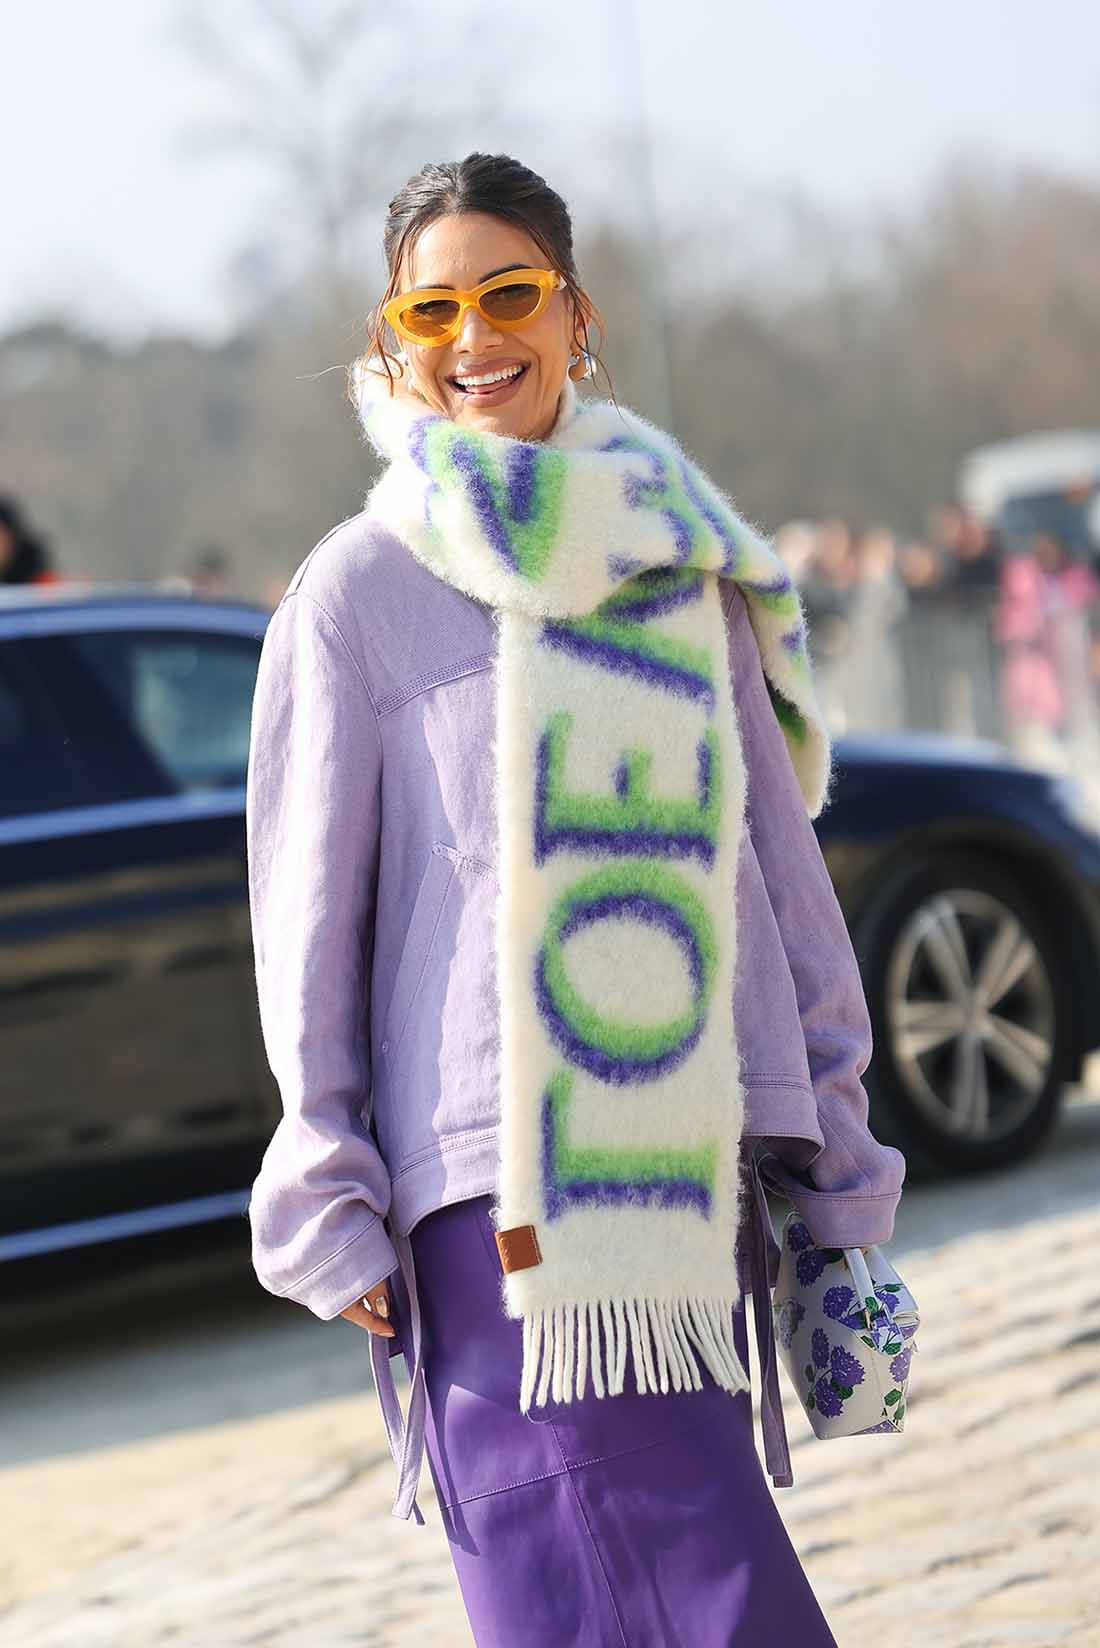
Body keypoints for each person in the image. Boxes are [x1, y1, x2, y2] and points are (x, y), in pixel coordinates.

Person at [244, 152, 906, 1646]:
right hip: (491, 1206)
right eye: (433, 308)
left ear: (575, 312)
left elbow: (778, 882)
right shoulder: (356, 591)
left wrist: (840, 1161)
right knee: (630, 1582)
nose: (474, 335)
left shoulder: (683, 572)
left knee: (664, 1573)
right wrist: (329, 1182)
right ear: (390, 343)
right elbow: (308, 928)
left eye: (509, 293)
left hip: (685, 1182)